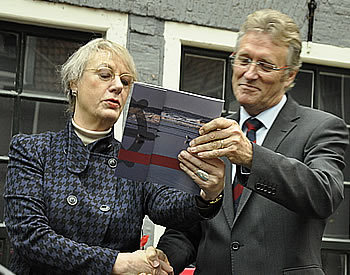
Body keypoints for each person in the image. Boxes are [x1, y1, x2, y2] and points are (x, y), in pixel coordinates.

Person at [4, 38, 225, 275]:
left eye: (126, 81)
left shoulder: (134, 155)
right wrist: (120, 263)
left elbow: (170, 207)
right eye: (105, 74)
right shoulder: (32, 149)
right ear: (73, 83)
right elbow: (29, 237)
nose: (118, 86)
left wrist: (208, 194)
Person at [157, 9, 349, 275]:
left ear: (290, 76)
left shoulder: (321, 127)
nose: (249, 73)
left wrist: (250, 155)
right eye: (244, 59)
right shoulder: (210, 130)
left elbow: (325, 195)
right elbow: (189, 227)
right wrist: (163, 261)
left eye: (265, 65)